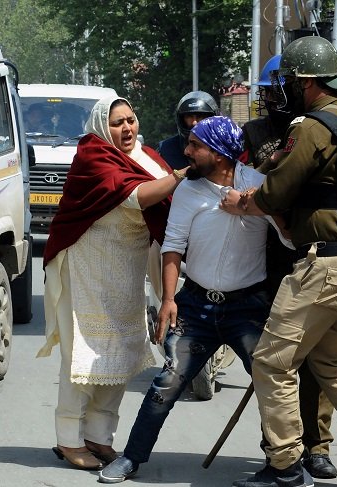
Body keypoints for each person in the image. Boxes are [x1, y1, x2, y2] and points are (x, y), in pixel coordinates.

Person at [223, 36, 337, 487]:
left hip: (326, 267)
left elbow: (275, 192)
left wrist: (241, 200)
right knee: (330, 362)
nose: (282, 89)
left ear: (306, 82)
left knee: (271, 361)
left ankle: (284, 466)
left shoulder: (312, 126)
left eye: (288, 81)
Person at [98, 116, 294, 484]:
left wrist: (256, 207)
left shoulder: (258, 187)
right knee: (167, 383)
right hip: (196, 306)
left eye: (194, 145)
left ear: (219, 155)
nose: (186, 151)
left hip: (248, 308)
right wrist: (168, 299)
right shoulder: (188, 190)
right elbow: (172, 245)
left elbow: (288, 240)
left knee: (271, 387)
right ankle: (131, 457)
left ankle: (281, 463)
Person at [37, 95, 185, 470]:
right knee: (83, 354)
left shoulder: (147, 155)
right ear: (104, 126)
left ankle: (99, 437)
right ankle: (69, 439)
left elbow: (171, 203)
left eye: (130, 120)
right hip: (88, 267)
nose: (126, 128)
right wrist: (182, 176)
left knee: (118, 353)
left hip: (125, 270)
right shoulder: (93, 156)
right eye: (117, 122)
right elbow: (139, 196)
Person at [242, 54, 337, 481]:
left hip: (317, 255)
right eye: (264, 90)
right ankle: (278, 449)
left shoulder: (324, 126)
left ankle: (317, 446)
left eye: (274, 87)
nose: (268, 98)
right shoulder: (255, 132)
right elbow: (241, 182)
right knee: (275, 362)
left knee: (318, 359)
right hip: (269, 261)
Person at [157, 90, 218, 169]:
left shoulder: (224, 147)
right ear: (181, 119)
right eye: (189, 116)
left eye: (200, 116)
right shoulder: (166, 149)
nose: (194, 122)